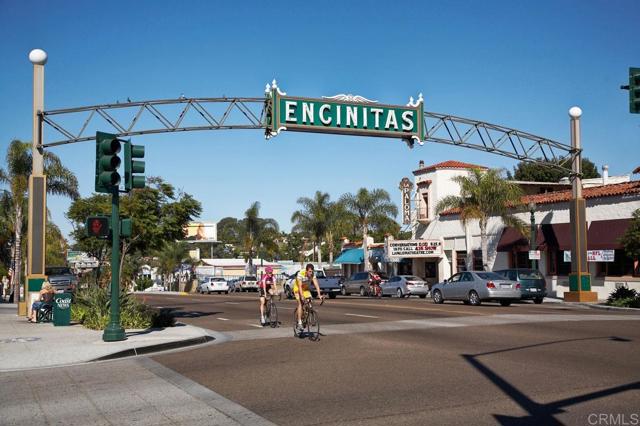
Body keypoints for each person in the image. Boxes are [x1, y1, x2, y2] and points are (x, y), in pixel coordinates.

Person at [293, 263, 324, 332]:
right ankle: (299, 322)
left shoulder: (312, 275)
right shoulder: (301, 274)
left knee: (310, 301)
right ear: (306, 271)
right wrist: (302, 296)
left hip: (306, 289)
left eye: (312, 271)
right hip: (298, 288)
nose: (311, 273)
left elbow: (316, 285)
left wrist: (319, 295)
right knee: (300, 303)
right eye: (310, 271)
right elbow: (300, 286)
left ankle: (306, 314)